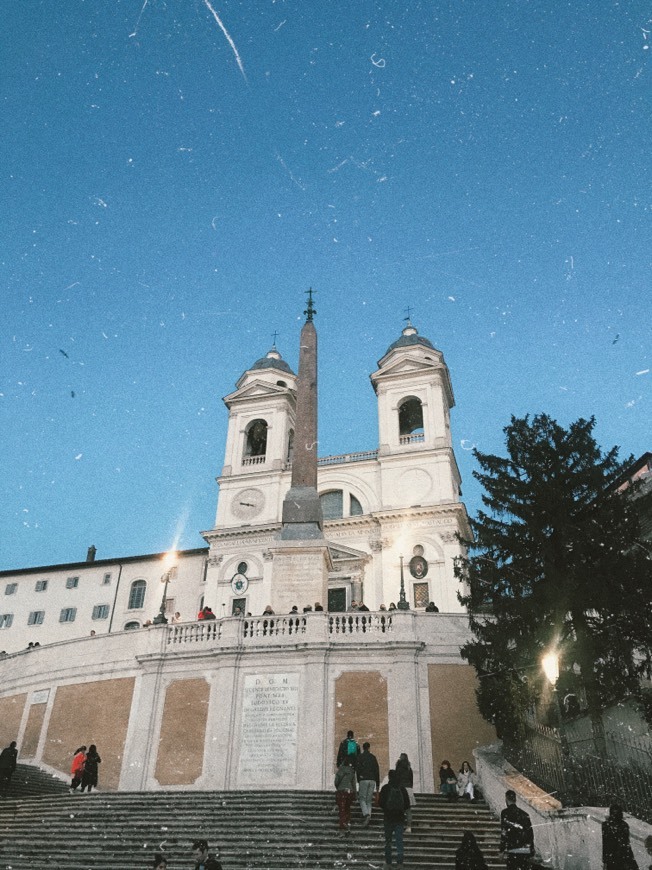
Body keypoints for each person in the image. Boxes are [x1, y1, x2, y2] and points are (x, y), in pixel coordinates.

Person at [379, 768, 410, 867]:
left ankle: (388, 862)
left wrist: (387, 809)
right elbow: (407, 804)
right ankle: (400, 863)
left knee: (388, 841)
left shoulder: (385, 788)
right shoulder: (402, 789)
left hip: (388, 818)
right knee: (399, 841)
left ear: (389, 777)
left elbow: (381, 803)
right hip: (400, 818)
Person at [500, 790, 534, 870]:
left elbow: (504, 832)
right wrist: (531, 851)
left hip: (512, 849)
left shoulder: (505, 813)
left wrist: (502, 849)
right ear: (515, 799)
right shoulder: (524, 814)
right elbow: (530, 834)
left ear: (506, 799)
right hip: (524, 850)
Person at [602, 803, 638, 870]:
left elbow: (606, 844)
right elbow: (626, 843)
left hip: (614, 857)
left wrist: (605, 861)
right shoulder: (623, 825)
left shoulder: (606, 825)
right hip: (621, 857)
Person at [356, 741, 380, 827]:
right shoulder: (373, 757)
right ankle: (369, 815)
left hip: (363, 779)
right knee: (369, 800)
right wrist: (378, 784)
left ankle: (366, 814)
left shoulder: (360, 757)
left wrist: (359, 779)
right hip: (372, 780)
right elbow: (377, 771)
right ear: (369, 748)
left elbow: (358, 769)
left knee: (362, 798)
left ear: (363, 748)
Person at [334, 755, 357, 833]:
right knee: (348, 809)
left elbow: (336, 781)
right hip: (350, 792)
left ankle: (342, 827)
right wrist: (355, 794)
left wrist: (338, 787)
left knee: (342, 809)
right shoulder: (352, 771)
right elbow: (354, 784)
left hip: (342, 791)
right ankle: (347, 824)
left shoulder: (340, 770)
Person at [395, 753, 416, 832]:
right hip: (409, 788)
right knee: (408, 809)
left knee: (399, 809)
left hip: (401, 788)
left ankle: (399, 825)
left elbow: (396, 778)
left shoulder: (399, 767)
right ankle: (409, 826)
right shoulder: (408, 768)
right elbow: (411, 779)